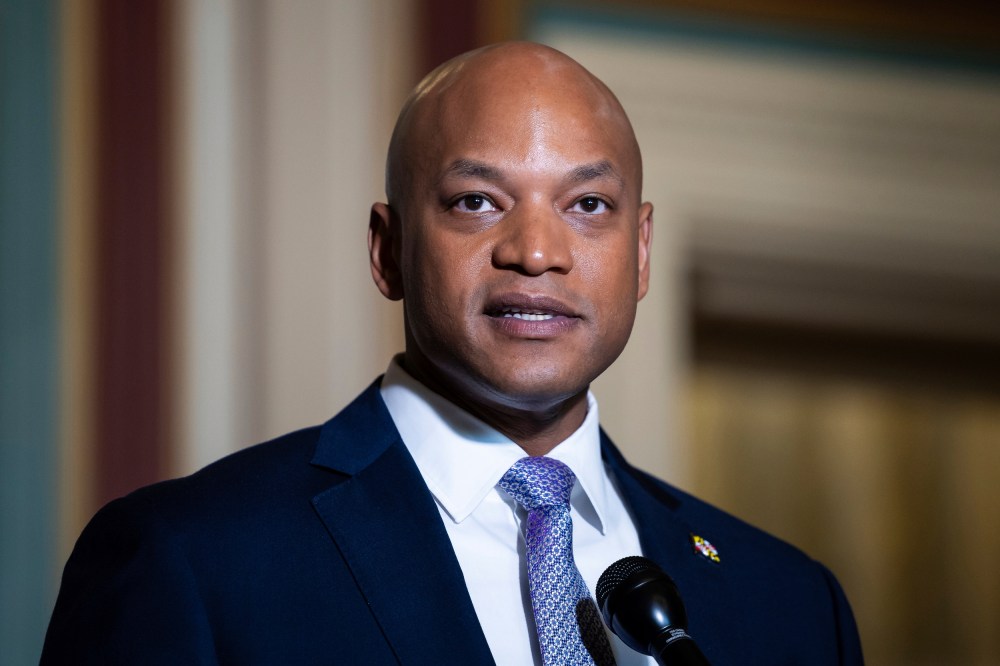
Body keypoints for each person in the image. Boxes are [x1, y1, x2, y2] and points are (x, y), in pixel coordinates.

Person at [42, 42, 863, 665]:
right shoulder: (191, 560)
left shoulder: (789, 604)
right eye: (476, 201)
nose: (537, 252)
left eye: (588, 204)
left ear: (640, 252)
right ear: (388, 248)